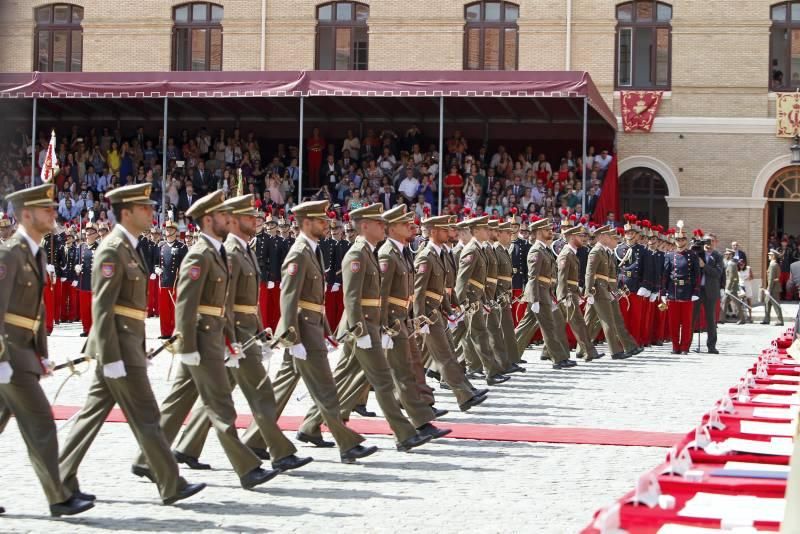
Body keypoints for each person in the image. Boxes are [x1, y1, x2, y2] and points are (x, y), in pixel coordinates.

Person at [58, 183, 206, 506]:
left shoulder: (131, 247)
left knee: (92, 415)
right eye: (145, 208)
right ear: (126, 213)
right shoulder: (112, 249)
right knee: (149, 415)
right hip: (118, 350)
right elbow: (104, 307)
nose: (152, 213)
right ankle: (171, 482)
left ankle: (60, 479)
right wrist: (111, 356)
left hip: (126, 346)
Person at [133, 190, 280, 490]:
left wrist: (230, 340)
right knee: (220, 405)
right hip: (199, 339)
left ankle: (147, 459)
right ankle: (248, 467)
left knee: (178, 402)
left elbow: (222, 303)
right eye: (225, 216)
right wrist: (187, 347)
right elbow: (186, 304)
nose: (230, 220)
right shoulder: (200, 254)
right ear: (210, 219)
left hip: (214, 337)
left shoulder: (218, 252)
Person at [173, 194, 313, 474]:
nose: (256, 221)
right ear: (233, 220)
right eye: (249, 217)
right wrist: (230, 339)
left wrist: (260, 333)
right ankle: (276, 453)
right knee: (257, 393)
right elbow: (223, 301)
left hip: (241, 333)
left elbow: (248, 301)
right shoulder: (230, 252)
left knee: (216, 395)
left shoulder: (243, 250)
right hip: (231, 334)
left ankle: (186, 446)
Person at [297, 203, 434, 453]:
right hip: (360, 328)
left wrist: (380, 328)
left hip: (370, 326)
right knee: (382, 381)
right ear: (365, 226)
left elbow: (376, 297)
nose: (384, 227)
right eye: (379, 223)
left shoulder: (370, 252)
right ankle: (404, 434)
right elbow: (352, 299)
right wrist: (361, 332)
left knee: (346, 379)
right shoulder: (357, 254)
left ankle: (310, 425)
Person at [258, 199, 378, 464]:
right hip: (302, 330)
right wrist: (293, 337)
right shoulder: (299, 252)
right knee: (325, 388)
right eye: (322, 220)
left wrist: (326, 331)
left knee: (281, 388)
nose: (327, 225)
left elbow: (316, 300)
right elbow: (288, 298)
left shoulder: (312, 250)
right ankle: (347, 444)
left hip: (311, 327)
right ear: (307, 222)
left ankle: (255, 439)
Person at [0, 184, 94, 517]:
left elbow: (35, 311)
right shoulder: (10, 253)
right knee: (41, 423)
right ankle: (60, 496)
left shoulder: (35, 253)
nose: (54, 214)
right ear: (26, 215)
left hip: (23, 354)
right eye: (46, 210)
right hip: (9, 356)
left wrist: (41, 352)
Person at [414, 215, 488, 411]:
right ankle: (464, 395)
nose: (450, 232)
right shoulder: (426, 256)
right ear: (433, 232)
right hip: (428, 314)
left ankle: (465, 390)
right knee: (444, 355)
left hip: (437, 311)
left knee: (429, 357)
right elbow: (419, 292)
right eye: (445, 229)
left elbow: (443, 288)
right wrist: (419, 319)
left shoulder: (439, 254)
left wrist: (452, 309)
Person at [455, 216, 512, 382]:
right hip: (471, 300)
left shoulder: (479, 249)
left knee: (473, 335)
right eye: (485, 229)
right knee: (476, 335)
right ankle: (490, 372)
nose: (489, 231)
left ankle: (444, 372)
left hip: (478, 298)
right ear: (476, 231)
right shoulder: (471, 250)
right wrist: (462, 302)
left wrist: (486, 300)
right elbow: (462, 279)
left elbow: (483, 281)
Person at [523, 216, 576, 369]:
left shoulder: (544, 249)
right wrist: (535, 299)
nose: (551, 232)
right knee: (549, 326)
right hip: (539, 292)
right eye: (547, 230)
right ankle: (559, 359)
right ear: (539, 232)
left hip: (545, 292)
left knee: (529, 325)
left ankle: (510, 356)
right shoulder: (536, 250)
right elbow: (532, 276)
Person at [558, 222, 602, 361]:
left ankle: (548, 352)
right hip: (567, 294)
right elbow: (562, 278)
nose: (583, 238)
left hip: (572, 292)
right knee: (578, 324)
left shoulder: (572, 252)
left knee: (559, 325)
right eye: (580, 235)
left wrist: (578, 293)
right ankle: (589, 352)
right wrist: (562, 296)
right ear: (571, 237)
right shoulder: (566, 253)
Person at [663, 222, 702, 354]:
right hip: (673, 291)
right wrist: (663, 292)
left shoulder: (692, 255)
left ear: (686, 240)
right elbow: (665, 275)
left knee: (686, 323)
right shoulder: (669, 255)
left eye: (682, 239)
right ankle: (675, 346)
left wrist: (696, 291)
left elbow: (697, 275)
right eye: (677, 239)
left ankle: (685, 347)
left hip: (687, 291)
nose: (679, 241)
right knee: (673, 322)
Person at [157, 220, 188, 339]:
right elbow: (158, 262)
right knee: (164, 309)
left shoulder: (182, 247)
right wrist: (157, 269)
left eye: (170, 229)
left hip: (176, 281)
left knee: (175, 309)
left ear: (175, 232)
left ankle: (176, 331)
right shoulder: (162, 246)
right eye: (166, 229)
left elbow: (185, 264)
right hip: (164, 281)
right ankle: (165, 332)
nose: (167, 231)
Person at [694, 235, 724, 354]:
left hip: (711, 291)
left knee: (711, 320)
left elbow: (717, 273)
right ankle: (686, 344)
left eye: (711, 241)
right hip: (697, 290)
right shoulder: (697, 254)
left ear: (715, 243)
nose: (708, 244)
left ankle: (711, 346)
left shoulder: (718, 256)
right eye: (706, 241)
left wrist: (704, 266)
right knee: (692, 318)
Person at [75, 222, 100, 337]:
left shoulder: (100, 247)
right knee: (84, 308)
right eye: (87, 232)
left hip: (95, 282)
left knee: (94, 308)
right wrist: (77, 267)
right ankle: (86, 328)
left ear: (96, 235)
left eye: (91, 232)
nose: (88, 234)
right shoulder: (81, 247)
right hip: (83, 281)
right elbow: (77, 261)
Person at [721, 248, 746, 325]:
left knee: (737, 303)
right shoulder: (729, 263)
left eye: (727, 254)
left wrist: (728, 288)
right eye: (726, 254)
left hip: (731, 288)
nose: (726, 255)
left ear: (731, 255)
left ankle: (742, 319)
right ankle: (722, 319)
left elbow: (731, 277)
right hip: (729, 287)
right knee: (724, 302)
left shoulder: (731, 264)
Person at [762, 249, 785, 326]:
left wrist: (769, 289)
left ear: (773, 256)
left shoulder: (773, 265)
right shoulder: (773, 264)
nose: (768, 256)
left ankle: (780, 320)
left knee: (775, 304)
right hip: (773, 287)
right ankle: (766, 319)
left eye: (770, 255)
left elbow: (771, 279)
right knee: (767, 302)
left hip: (773, 288)